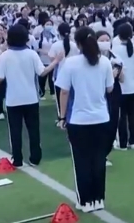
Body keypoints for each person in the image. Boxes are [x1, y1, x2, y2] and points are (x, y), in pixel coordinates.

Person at [0, 24, 57, 167]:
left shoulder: (5, 55)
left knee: (15, 131)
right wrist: (55, 61)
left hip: (13, 100)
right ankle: (35, 158)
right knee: (33, 130)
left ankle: (17, 159)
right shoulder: (31, 54)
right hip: (31, 99)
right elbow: (42, 72)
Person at [55, 26, 114, 213]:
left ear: (78, 43)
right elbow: (110, 89)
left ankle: (86, 201)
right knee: (98, 159)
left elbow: (64, 91)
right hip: (101, 118)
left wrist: (61, 116)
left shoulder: (70, 63)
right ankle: (98, 199)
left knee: (82, 161)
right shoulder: (104, 62)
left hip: (78, 120)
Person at [111, 23, 134, 150]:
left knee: (121, 117)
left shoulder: (115, 49)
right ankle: (133, 142)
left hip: (121, 88)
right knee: (133, 116)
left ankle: (122, 143)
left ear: (119, 35)